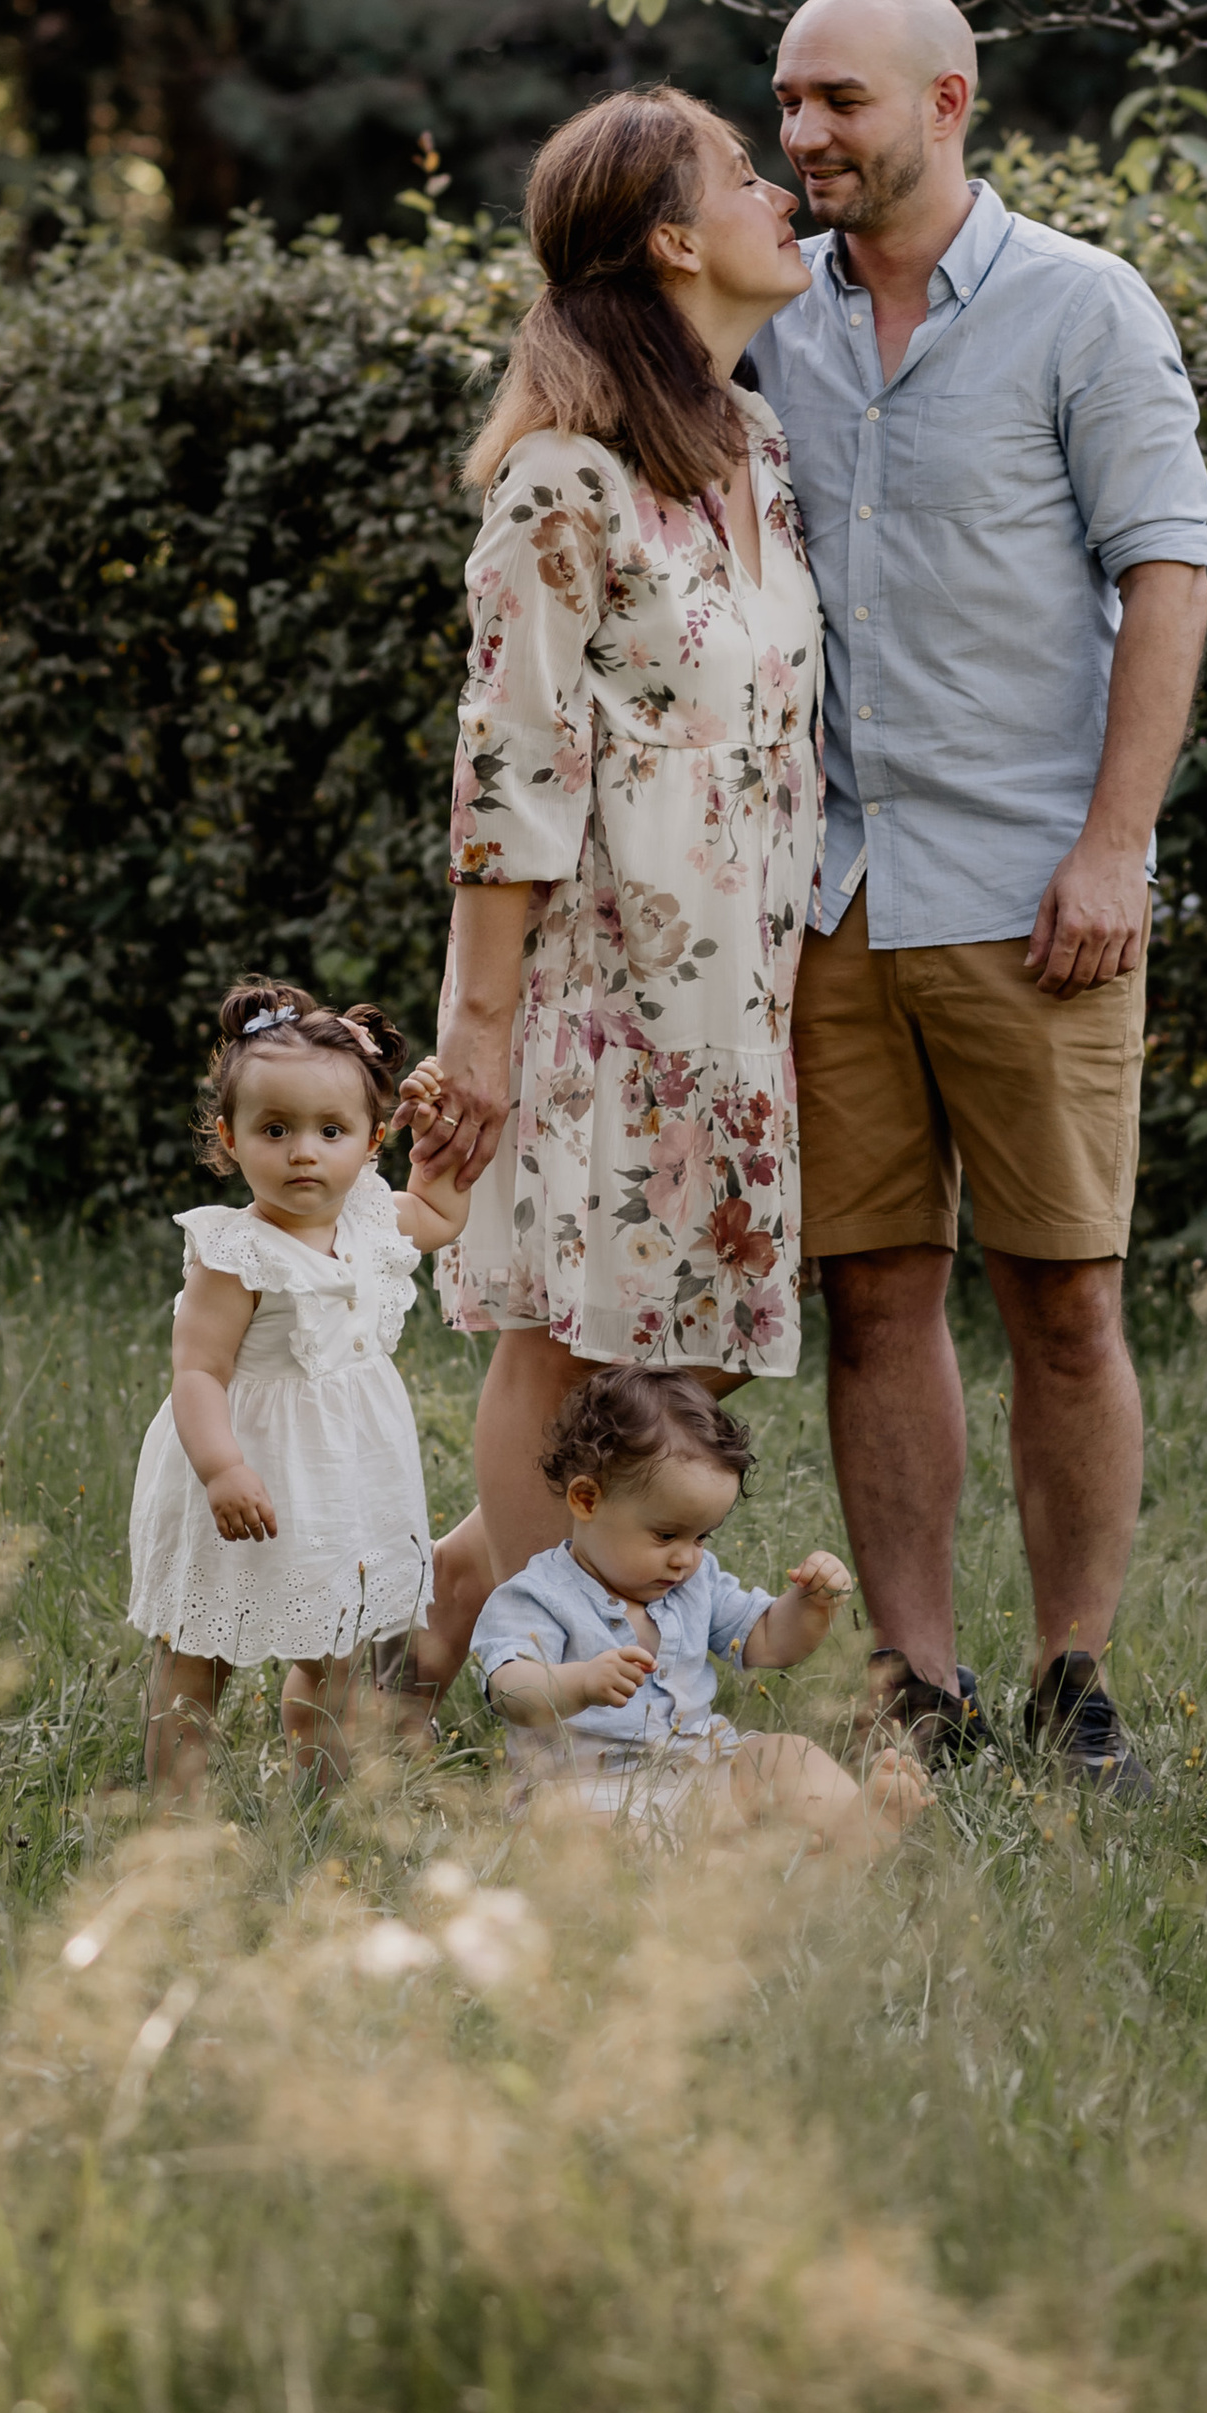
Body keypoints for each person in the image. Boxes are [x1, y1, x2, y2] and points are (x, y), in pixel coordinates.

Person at [751, 0, 1207, 1797]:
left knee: (1064, 1299)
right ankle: (916, 1679)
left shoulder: (1082, 309)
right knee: (873, 1294)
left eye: (838, 101)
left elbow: (1166, 575)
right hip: (837, 892)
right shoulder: (765, 314)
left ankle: (1073, 1675)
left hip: (1037, 891)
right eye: (786, 102)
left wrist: (1115, 844)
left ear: (952, 100)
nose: (803, 136)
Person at [399, 89, 823, 1581]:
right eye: (742, 172)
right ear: (672, 239)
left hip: (739, 1003)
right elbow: (506, 780)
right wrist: (483, 1041)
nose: (780, 190)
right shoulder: (561, 482)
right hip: (602, 1007)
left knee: (684, 1369)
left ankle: (451, 1610)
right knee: (568, 1358)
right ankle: (546, 1700)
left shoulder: (753, 446)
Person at [127, 974, 473, 1797]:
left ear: (371, 1140)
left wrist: (439, 1129)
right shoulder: (235, 1252)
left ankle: (323, 1807)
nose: (304, 1152)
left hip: (340, 1475)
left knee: (333, 1650)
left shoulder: (373, 1220)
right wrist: (221, 1467)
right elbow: (199, 1371)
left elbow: (446, 1213)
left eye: (331, 1130)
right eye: (275, 1129)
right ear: (231, 1137)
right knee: (196, 1655)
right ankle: (179, 1814)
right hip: (243, 1470)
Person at [470, 1367, 931, 1842]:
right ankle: (748, 1866)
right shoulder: (537, 1595)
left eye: (702, 1536)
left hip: (703, 1770)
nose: (686, 1557)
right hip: (590, 1790)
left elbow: (767, 1640)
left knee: (783, 1755)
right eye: (666, 1535)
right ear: (587, 1500)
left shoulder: (695, 1581)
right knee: (574, 1824)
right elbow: (509, 1689)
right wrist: (579, 1682)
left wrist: (810, 1604)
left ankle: (853, 1827)